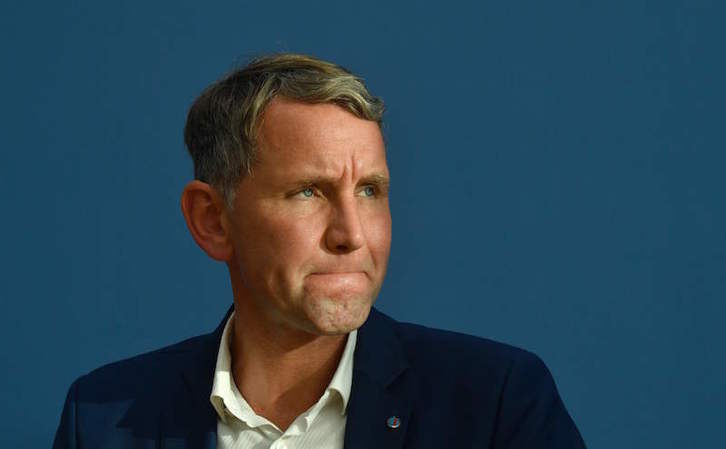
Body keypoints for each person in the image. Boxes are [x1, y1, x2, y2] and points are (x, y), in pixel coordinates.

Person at [53, 53, 586, 448]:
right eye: (309, 191)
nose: (351, 234)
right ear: (212, 220)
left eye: (370, 191)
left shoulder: (496, 404)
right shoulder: (101, 419)